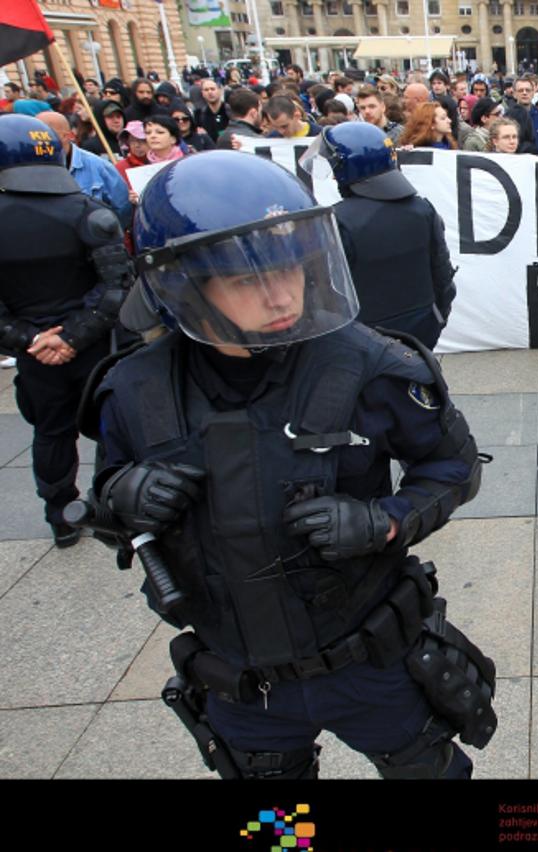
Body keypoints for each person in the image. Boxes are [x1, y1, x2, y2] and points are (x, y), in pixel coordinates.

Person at [80, 151, 494, 780]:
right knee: (278, 826)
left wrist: (383, 520)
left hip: (368, 662)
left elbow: (452, 469)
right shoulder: (134, 391)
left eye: (290, 270)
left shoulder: (373, 366)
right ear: (184, 283)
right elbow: (105, 500)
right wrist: (124, 494)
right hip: (242, 683)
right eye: (247, 280)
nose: (280, 296)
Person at [0, 114, 132, 546]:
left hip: (36, 353)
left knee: (51, 432)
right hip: (91, 345)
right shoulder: (89, 213)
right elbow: (115, 286)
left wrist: (34, 340)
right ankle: (104, 507)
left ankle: (60, 513)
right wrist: (72, 336)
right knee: (107, 428)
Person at [304, 123, 456, 350]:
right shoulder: (424, 209)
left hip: (361, 346)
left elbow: (322, 296)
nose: (334, 178)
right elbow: (444, 282)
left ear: (346, 169)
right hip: (420, 339)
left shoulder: (337, 221)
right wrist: (434, 322)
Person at [34, 110, 132, 222]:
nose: (40, 140)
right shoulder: (28, 167)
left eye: (47, 134)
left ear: (68, 136)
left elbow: (122, 210)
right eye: (35, 135)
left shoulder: (99, 167)